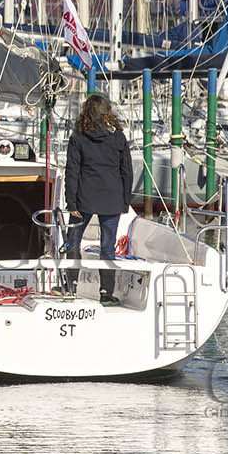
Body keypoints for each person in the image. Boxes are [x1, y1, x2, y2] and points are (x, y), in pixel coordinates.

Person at [63, 92, 136, 305]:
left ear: (85, 112)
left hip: (83, 197)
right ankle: (106, 292)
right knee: (107, 247)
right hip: (112, 198)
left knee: (72, 242)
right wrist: (125, 200)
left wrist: (71, 202)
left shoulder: (78, 138)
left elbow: (72, 171)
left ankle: (71, 285)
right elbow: (126, 171)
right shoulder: (118, 137)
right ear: (107, 112)